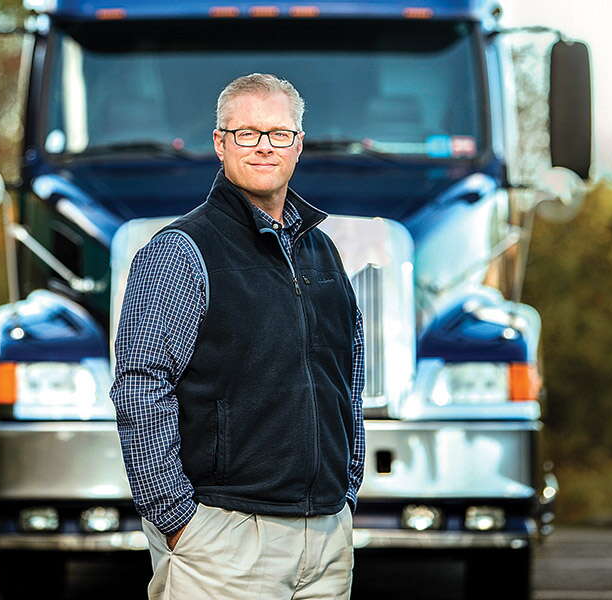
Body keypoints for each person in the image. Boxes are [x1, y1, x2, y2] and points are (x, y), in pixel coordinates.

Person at [110, 73, 366, 599]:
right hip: (223, 541)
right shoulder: (181, 251)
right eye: (246, 133)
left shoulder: (324, 253)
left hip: (326, 540)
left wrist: (348, 491)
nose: (264, 146)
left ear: (298, 144)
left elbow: (349, 377)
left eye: (278, 133)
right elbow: (140, 387)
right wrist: (177, 518)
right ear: (220, 143)